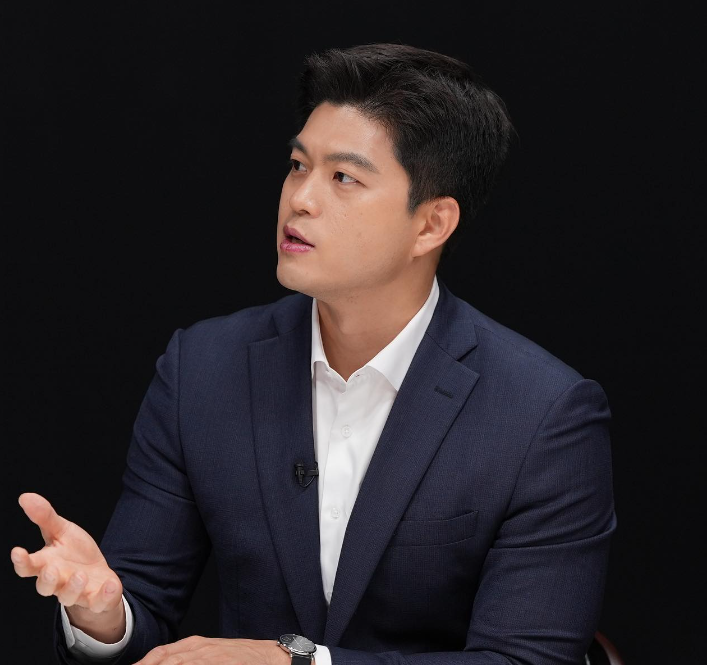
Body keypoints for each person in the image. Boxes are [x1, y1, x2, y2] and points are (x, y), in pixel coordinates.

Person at [11, 43, 616, 665]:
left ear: (431, 224)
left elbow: (525, 660)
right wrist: (101, 614)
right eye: (298, 165)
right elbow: (141, 607)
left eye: (343, 178)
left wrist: (298, 663)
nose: (300, 198)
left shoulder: (543, 414)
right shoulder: (204, 369)